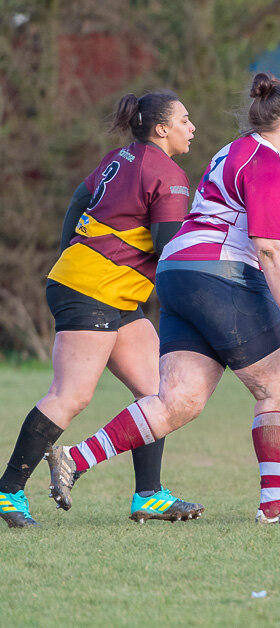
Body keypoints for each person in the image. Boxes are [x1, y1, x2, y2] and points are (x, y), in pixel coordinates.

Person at [44, 72, 280, 526]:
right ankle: (274, 511)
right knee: (279, 385)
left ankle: (74, 459)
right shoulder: (269, 164)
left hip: (177, 272)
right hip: (221, 274)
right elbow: (269, 247)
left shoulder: (230, 151)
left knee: (179, 400)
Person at [0, 91, 204, 529]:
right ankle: (8, 492)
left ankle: (148, 494)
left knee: (158, 392)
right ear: (162, 129)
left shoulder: (122, 157)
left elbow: (78, 201)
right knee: (71, 396)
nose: (192, 128)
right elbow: (169, 250)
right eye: (185, 120)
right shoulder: (168, 175)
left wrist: (70, 257)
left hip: (108, 290)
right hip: (93, 289)